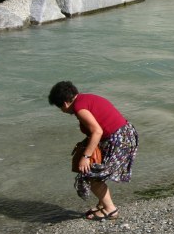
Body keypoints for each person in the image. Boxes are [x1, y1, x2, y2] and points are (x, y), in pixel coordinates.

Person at [48, 81, 139, 220]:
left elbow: (97, 131)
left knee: (91, 175)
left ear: (65, 103)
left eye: (60, 107)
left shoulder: (79, 107)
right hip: (125, 135)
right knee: (96, 172)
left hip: (119, 140)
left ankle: (110, 210)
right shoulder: (85, 99)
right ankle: (103, 204)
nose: (62, 111)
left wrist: (85, 156)